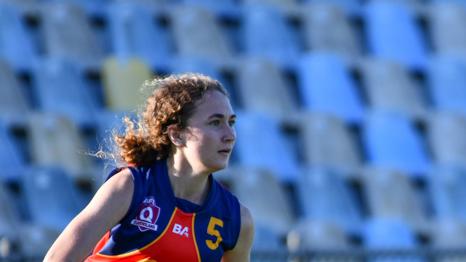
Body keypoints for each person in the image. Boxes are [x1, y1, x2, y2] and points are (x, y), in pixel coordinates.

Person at [44, 73, 254, 261]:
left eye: (231, 122)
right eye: (215, 122)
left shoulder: (236, 219)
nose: (230, 135)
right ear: (176, 135)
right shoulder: (131, 186)